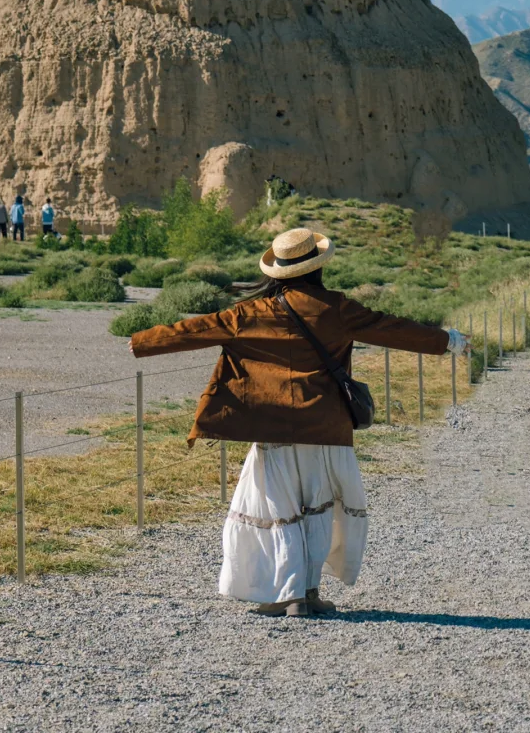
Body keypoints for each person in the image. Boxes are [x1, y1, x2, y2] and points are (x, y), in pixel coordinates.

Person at [128, 226, 468, 618]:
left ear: (279, 271)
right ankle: (307, 592)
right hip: (326, 427)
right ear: (318, 268)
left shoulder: (251, 313)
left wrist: (143, 341)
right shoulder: (338, 309)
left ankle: (289, 595)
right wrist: (449, 341)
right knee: (318, 508)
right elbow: (394, 329)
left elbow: (197, 328)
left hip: (274, 425)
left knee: (279, 507)